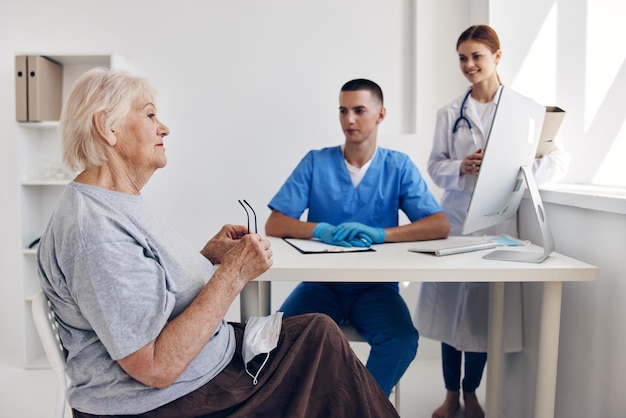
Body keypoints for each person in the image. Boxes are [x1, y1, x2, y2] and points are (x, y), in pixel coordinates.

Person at [36, 68, 401, 418]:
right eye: (149, 115)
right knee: (321, 347)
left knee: (319, 332)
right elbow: (155, 367)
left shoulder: (116, 203)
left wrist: (207, 257)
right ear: (108, 127)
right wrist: (234, 273)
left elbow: (139, 292)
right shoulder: (95, 228)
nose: (164, 127)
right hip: (167, 400)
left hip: (201, 370)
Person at [415, 25, 570, 418]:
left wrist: (516, 171)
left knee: (484, 315)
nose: (469, 65)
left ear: (497, 57)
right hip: (456, 219)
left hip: (498, 223)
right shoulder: (449, 113)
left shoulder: (525, 110)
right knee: (451, 313)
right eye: (463, 58)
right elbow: (435, 166)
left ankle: (472, 394)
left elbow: (556, 160)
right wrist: (461, 166)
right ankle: (450, 397)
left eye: (477, 56)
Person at [265, 78, 450, 396]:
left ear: (380, 114)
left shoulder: (398, 166)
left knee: (402, 340)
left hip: (375, 289)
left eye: (359, 110)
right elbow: (275, 223)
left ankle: (354, 404)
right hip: (320, 285)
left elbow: (438, 225)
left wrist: (382, 234)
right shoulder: (316, 162)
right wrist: (320, 230)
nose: (349, 119)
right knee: (275, 337)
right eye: (343, 110)